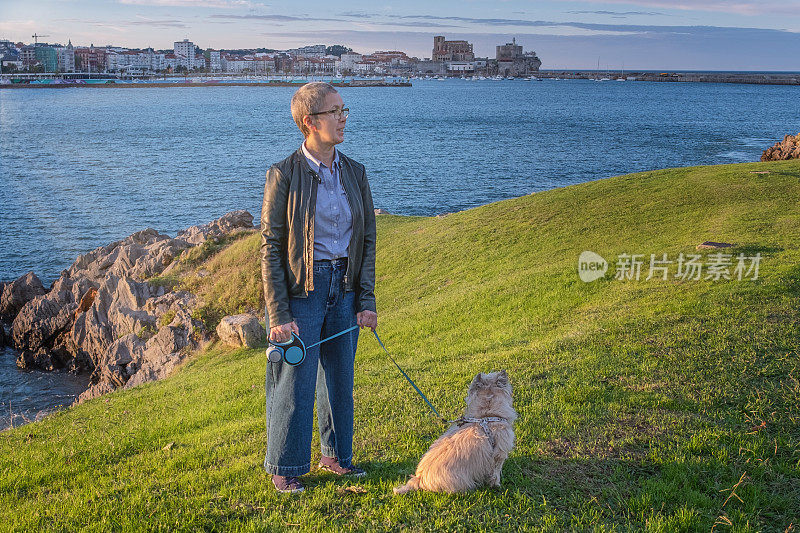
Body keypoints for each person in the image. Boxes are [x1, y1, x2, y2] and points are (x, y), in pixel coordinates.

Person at [260, 82, 378, 494]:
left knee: (339, 380)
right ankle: (286, 467)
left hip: (344, 288)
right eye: (334, 111)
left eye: (344, 109)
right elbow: (271, 247)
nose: (343, 118)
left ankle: (336, 457)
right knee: (294, 380)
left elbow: (366, 240)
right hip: (302, 293)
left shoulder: (355, 172)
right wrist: (278, 313)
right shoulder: (284, 174)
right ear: (309, 122)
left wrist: (366, 299)